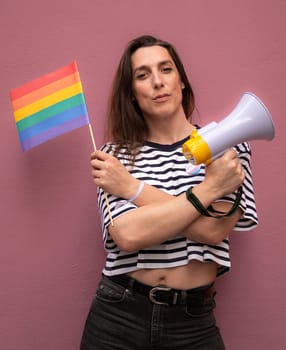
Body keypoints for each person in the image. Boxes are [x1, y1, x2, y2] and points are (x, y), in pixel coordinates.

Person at [80, 35, 258, 350]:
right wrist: (209, 190)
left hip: (194, 322)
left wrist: (131, 188)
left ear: (182, 81)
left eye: (166, 69)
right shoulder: (114, 156)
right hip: (118, 315)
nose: (158, 82)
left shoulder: (228, 142)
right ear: (132, 93)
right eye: (143, 75)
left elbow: (214, 229)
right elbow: (129, 234)